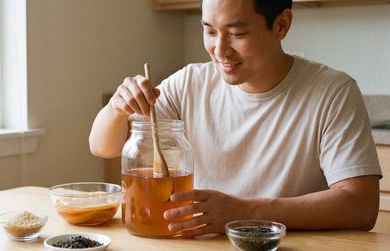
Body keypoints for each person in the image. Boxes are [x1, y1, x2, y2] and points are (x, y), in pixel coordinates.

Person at [89, 0, 382, 237]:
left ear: (281, 24)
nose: (220, 50)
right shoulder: (189, 83)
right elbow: (103, 147)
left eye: (237, 34)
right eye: (210, 31)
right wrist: (116, 109)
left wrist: (245, 212)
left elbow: (361, 206)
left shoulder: (332, 92)